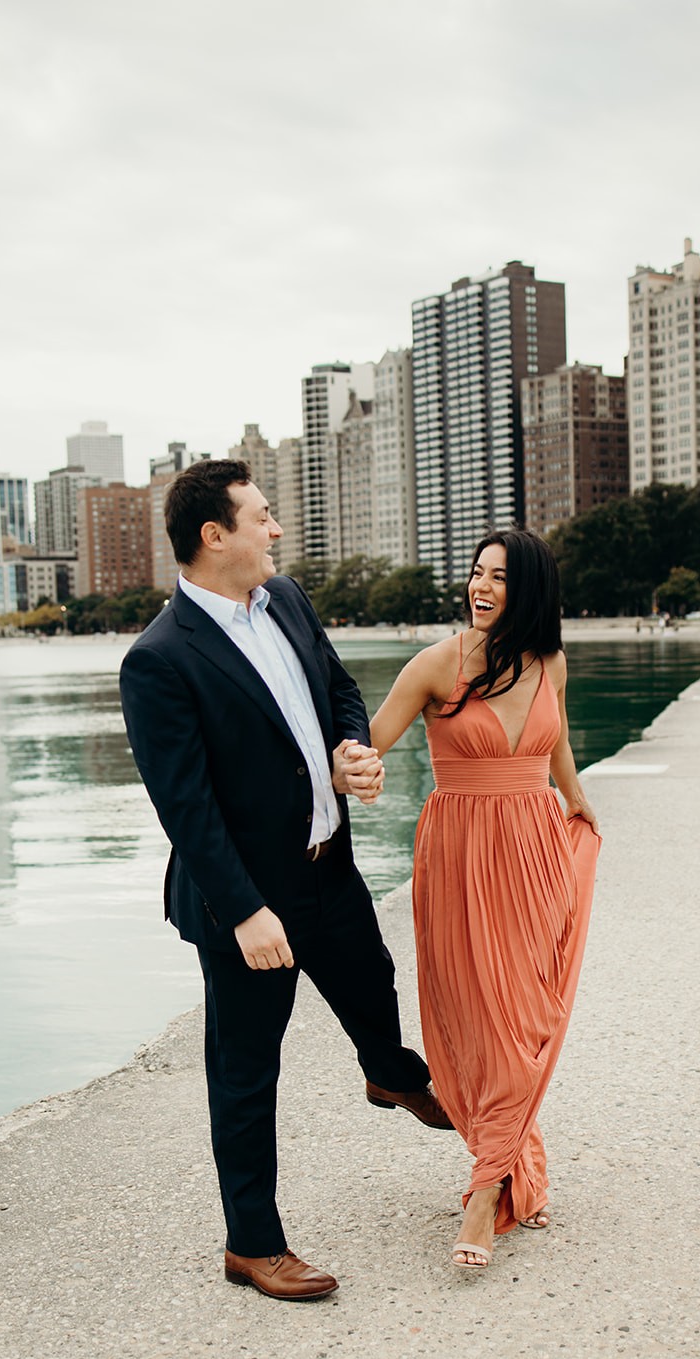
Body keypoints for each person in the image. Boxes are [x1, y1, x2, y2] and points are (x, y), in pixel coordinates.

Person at [119, 459, 452, 1303]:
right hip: (247, 904)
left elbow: (339, 691)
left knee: (373, 988)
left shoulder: (289, 600)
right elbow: (184, 808)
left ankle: (389, 1074)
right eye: (261, 518)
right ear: (214, 535)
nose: (275, 531)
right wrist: (244, 913)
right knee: (244, 1071)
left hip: (326, 868)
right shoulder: (159, 660)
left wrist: (350, 752)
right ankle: (252, 1245)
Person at [368, 529, 600, 1271]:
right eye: (474, 574)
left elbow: (555, 744)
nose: (480, 587)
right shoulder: (437, 662)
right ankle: (491, 1179)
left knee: (529, 1015)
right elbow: (370, 741)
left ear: (527, 587)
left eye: (497, 577)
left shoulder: (548, 661)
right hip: (460, 856)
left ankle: (484, 1186)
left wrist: (579, 800)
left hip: (536, 850)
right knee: (479, 1017)